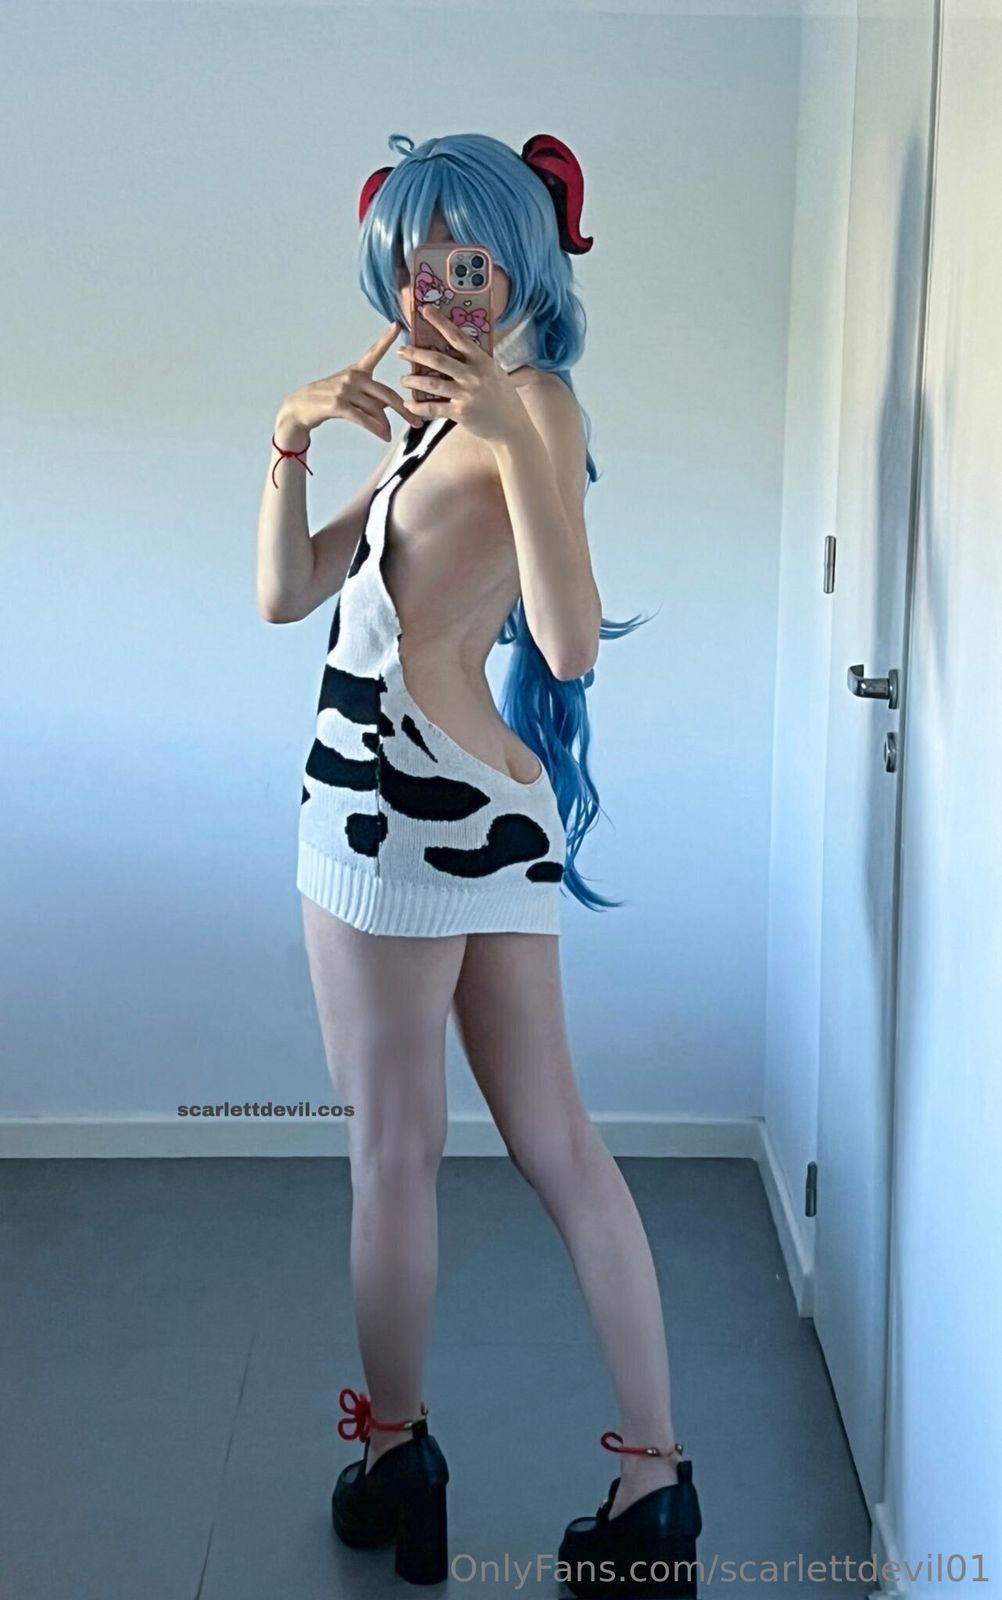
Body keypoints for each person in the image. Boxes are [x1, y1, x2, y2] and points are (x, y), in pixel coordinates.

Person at [257, 130, 703, 1598]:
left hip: (390, 812)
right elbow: (288, 592)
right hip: (478, 808)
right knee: (551, 1140)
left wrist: (511, 436)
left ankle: (398, 1458)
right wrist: (290, 438)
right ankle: (653, 1488)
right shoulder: (434, 419)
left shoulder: (529, 407)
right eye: (417, 263)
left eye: (469, 260)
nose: (439, 290)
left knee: (396, 1150)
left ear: (523, 261)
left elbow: (566, 646)